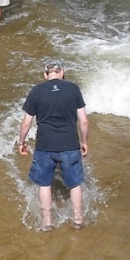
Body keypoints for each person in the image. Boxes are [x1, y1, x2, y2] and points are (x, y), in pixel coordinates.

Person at [17, 59, 89, 231]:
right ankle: (78, 220)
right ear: (62, 72)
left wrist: (21, 142)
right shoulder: (73, 89)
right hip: (70, 144)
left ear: (45, 74)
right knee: (74, 184)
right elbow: (84, 121)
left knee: (44, 183)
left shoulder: (36, 91)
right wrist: (84, 141)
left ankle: (47, 222)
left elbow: (26, 123)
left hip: (45, 145)